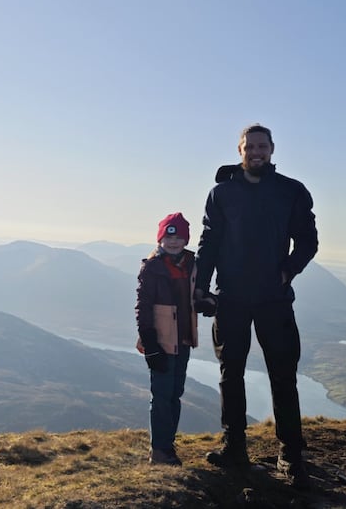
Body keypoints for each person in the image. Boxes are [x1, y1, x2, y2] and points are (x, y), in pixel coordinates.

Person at [194, 123, 318, 486]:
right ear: (240, 150)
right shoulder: (221, 194)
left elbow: (308, 242)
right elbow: (209, 242)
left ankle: (291, 456)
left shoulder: (291, 192)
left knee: (283, 376)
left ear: (272, 149)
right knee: (230, 374)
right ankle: (235, 449)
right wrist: (201, 287)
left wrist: (286, 273)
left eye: (262, 146)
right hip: (231, 298)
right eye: (250, 147)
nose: (256, 152)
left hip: (273, 300)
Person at [135, 212, 201, 466]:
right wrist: (149, 343)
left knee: (175, 394)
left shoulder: (191, 264)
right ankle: (160, 451)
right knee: (161, 395)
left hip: (183, 340)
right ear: (161, 238)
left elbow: (196, 295)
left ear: (185, 239)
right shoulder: (152, 266)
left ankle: (167, 445)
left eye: (179, 236)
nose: (174, 242)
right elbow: (143, 305)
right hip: (160, 341)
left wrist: (208, 302)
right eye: (168, 236)